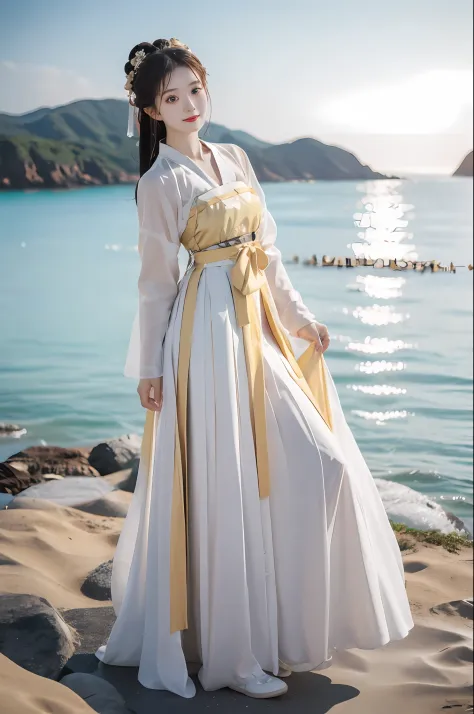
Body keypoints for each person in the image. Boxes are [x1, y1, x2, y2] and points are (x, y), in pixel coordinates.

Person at [96, 37, 414, 700]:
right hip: (205, 335)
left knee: (319, 462)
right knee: (228, 482)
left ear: (206, 88)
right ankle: (232, 659)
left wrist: (300, 320)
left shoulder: (234, 157)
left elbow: (267, 254)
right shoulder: (158, 182)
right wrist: (149, 366)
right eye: (171, 97)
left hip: (257, 322)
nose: (188, 105)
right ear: (151, 111)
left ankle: (281, 631)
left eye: (194, 89)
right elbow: (155, 282)